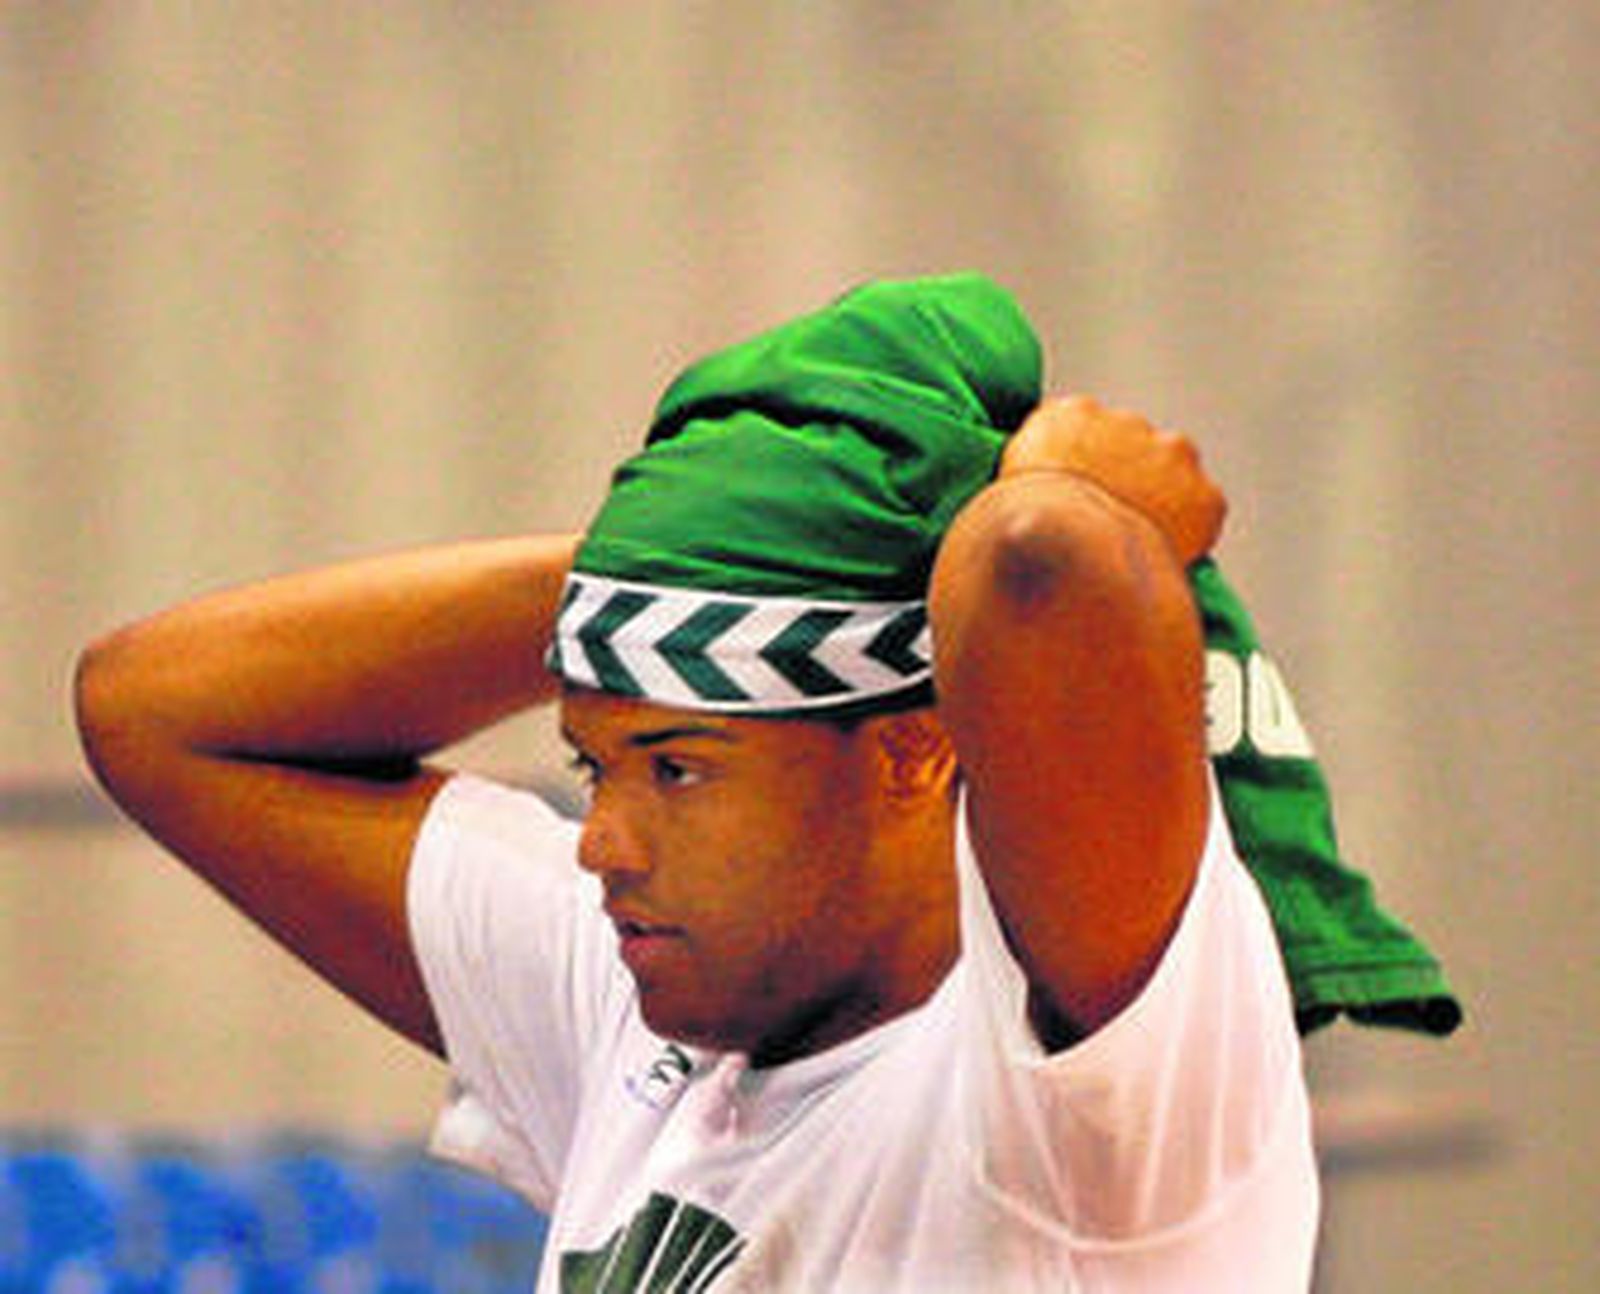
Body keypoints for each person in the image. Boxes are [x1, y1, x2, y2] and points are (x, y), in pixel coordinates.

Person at [75, 274, 1319, 1291]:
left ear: (915, 745)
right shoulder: (634, 1005)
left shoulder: (1090, 1100)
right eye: (592, 764)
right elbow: (153, 707)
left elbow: (1041, 561)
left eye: (676, 766)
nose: (600, 841)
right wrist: (683, 561)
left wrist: (1065, 492)